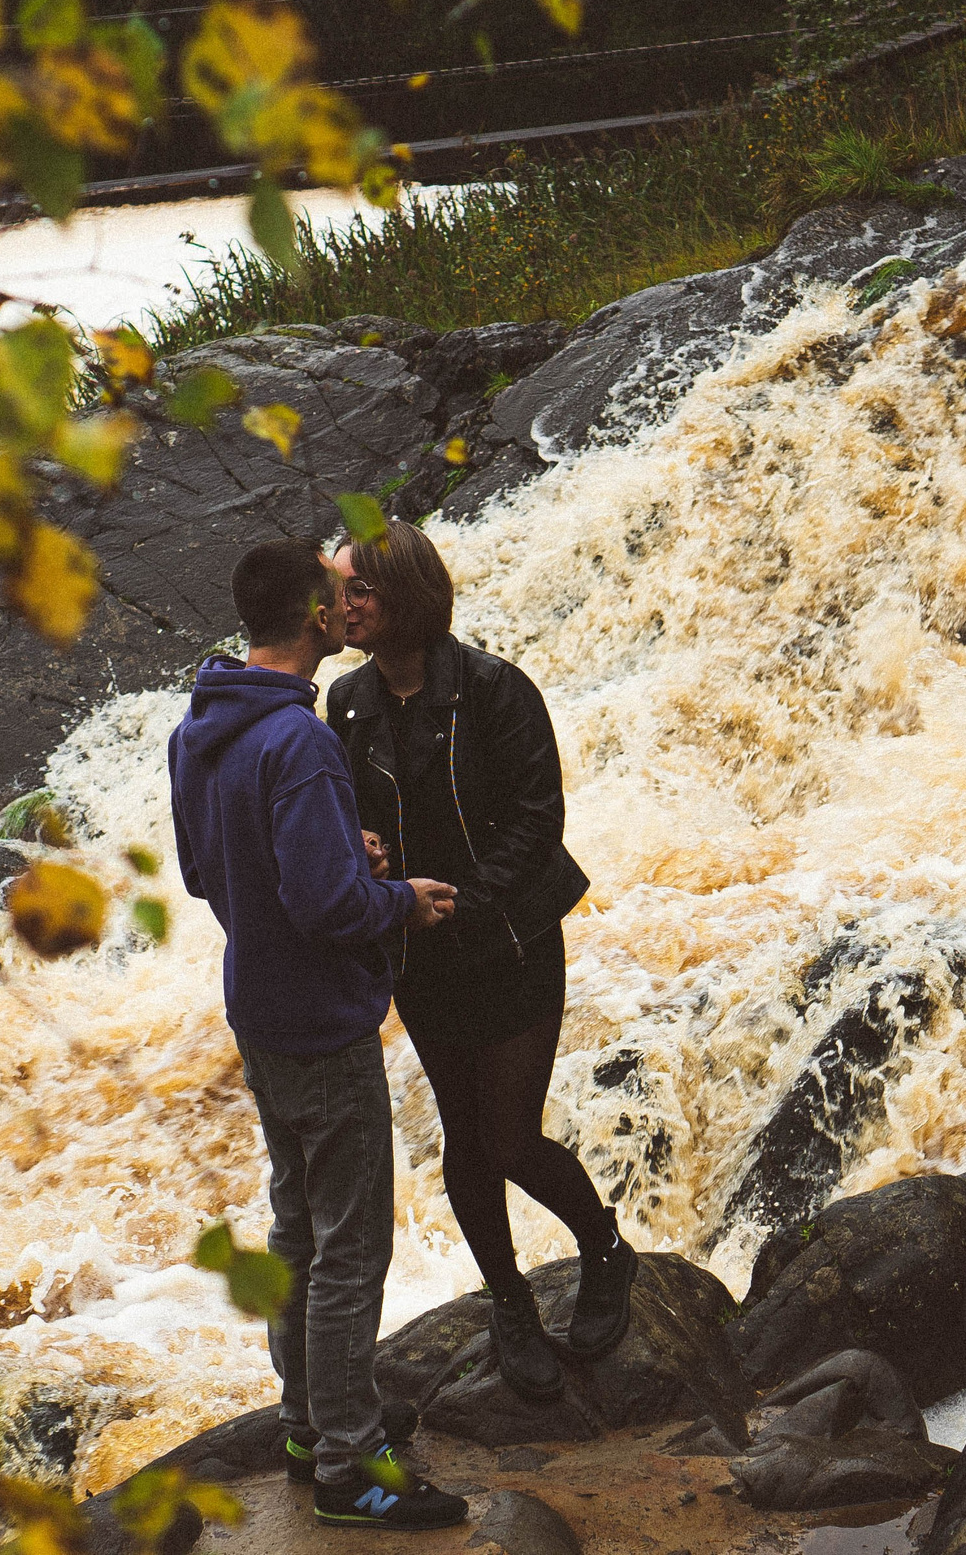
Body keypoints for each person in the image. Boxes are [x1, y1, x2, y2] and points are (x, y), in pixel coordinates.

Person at [168, 538, 469, 1531]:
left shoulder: (202, 725)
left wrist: (338, 848)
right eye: (340, 593)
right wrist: (397, 898)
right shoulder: (297, 741)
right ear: (312, 616)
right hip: (321, 1018)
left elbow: (207, 872)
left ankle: (306, 1424)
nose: (352, 604)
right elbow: (328, 907)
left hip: (258, 1010)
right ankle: (348, 1466)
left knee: (297, 1226)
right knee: (350, 1245)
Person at [326, 520, 638, 1403]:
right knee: (465, 1140)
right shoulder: (346, 703)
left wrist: (464, 902)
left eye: (359, 589)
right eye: (340, 590)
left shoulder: (496, 689)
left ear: (406, 595)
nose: (343, 606)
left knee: (510, 1136)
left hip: (510, 941)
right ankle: (510, 1300)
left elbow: (540, 818)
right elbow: (347, 814)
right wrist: (364, 853)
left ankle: (606, 1247)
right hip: (419, 953)